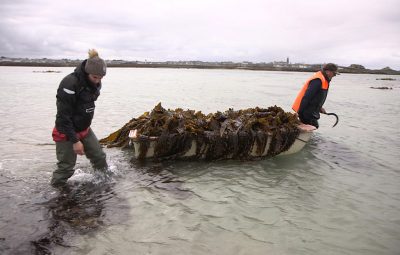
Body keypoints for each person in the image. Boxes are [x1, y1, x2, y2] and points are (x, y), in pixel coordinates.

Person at [51, 49, 108, 187]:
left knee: (100, 158)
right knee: (66, 169)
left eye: (101, 78)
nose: (98, 81)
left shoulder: (95, 83)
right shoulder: (69, 83)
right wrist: (75, 141)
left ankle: (105, 185)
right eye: (95, 77)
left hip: (84, 129)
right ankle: (56, 195)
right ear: (87, 72)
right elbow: (63, 117)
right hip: (66, 131)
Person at [292, 63, 339, 128]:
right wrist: (299, 112)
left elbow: (316, 97)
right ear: (328, 72)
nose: (335, 75)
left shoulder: (324, 79)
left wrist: (320, 107)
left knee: (315, 126)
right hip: (305, 111)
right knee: (313, 127)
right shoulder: (318, 80)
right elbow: (307, 97)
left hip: (311, 111)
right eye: (334, 73)